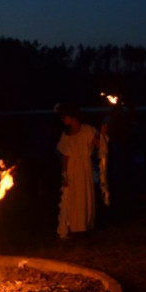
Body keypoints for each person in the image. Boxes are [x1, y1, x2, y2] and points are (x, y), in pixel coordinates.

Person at [55, 102, 100, 239]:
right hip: (73, 169)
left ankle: (84, 225)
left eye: (65, 116)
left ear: (72, 116)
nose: (63, 120)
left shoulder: (88, 130)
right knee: (73, 197)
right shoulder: (66, 135)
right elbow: (65, 156)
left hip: (84, 168)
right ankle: (74, 226)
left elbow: (99, 146)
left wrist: (102, 135)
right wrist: (64, 174)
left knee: (84, 195)